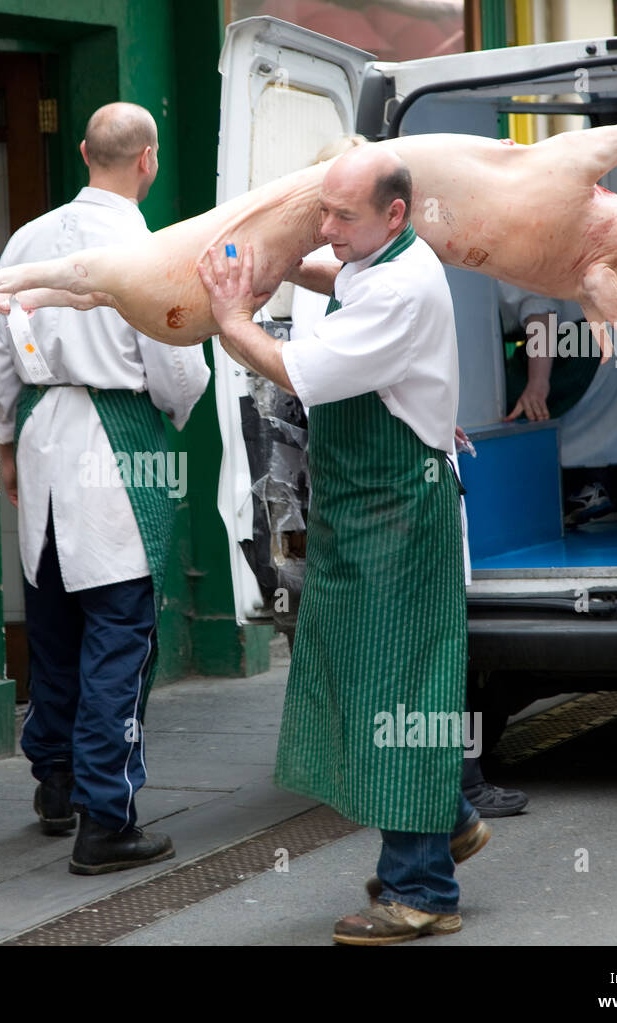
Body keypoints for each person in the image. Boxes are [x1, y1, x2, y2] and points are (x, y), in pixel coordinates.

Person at [197, 143, 490, 944]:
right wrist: (293, 266)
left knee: (399, 692)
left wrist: (230, 319)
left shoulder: (400, 285)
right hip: (365, 516)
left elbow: (294, 370)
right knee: (355, 674)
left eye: (342, 217)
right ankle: (451, 817)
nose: (326, 229)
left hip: (399, 517)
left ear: (395, 214)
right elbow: (347, 280)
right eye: (324, 212)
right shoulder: (388, 258)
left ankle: (420, 890)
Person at [0, 102, 210, 875]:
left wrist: (7, 442)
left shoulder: (27, 238)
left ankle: (55, 783)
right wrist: (175, 413)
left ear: (85, 153)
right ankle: (106, 820)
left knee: (53, 620)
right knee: (120, 631)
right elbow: (177, 365)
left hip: (45, 435)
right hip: (116, 444)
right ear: (147, 160)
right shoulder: (149, 249)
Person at [500, 282, 617, 525]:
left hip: (586, 344)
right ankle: (596, 490)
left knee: (508, 397)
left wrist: (537, 382)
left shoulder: (510, 244)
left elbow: (540, 308)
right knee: (604, 442)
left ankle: (584, 490)